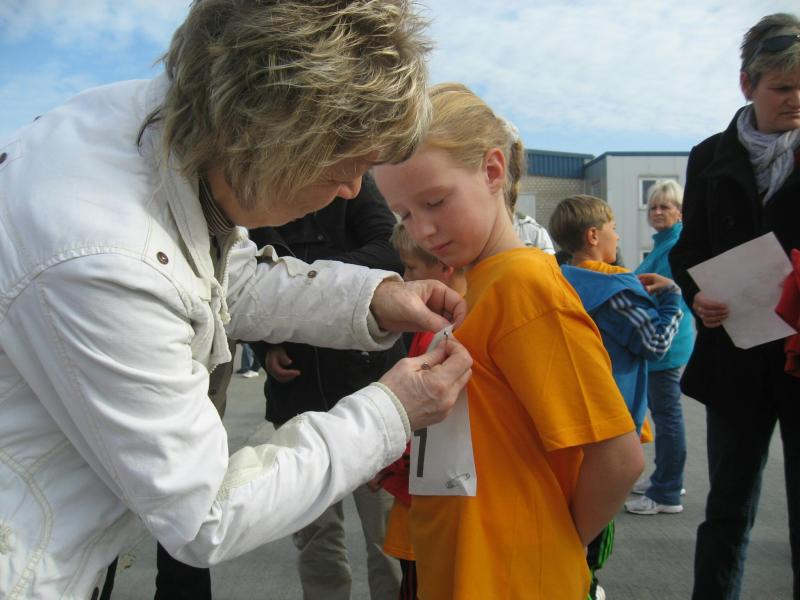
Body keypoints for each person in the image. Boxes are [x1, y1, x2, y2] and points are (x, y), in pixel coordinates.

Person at [0, 2, 474, 598]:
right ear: (269, 136)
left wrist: (375, 298)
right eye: (343, 166)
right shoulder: (104, 255)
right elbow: (204, 514)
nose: (353, 189)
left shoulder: (166, 138)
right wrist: (392, 412)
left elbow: (225, 276)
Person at [373, 82, 644, 600]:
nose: (422, 230)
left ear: (493, 171)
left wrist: (557, 544)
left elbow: (618, 456)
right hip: (462, 561)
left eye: (435, 201)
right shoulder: (480, 283)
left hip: (511, 576)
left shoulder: (524, 285)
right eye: (404, 214)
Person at [669, 13, 800, 600]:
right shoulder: (708, 156)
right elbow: (689, 248)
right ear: (747, 85)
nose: (796, 100)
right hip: (737, 353)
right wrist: (697, 295)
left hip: (798, 354)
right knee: (727, 509)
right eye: (783, 88)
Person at [248, 176, 406, 599]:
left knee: (386, 534)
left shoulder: (353, 182)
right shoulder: (259, 186)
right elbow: (240, 281)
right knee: (315, 535)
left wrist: (301, 277)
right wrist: (265, 347)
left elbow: (389, 250)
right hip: (297, 398)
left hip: (369, 390)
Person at [549, 193, 683, 599]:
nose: (618, 236)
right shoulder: (616, 291)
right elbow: (655, 343)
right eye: (613, 229)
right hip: (610, 421)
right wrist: (672, 299)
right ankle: (583, 585)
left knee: (565, 510)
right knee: (596, 522)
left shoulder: (555, 280)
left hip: (565, 416)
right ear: (593, 236)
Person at [370, 223, 469, 600]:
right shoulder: (447, 322)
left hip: (424, 503)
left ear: (443, 266)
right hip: (435, 498)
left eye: (411, 268)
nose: (406, 278)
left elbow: (425, 419)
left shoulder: (440, 334)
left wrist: (386, 463)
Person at [628, 180, 696, 515]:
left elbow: (661, 295)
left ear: (679, 212)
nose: (657, 212)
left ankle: (667, 491)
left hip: (666, 343)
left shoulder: (674, 245)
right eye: (653, 206)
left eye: (665, 207)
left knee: (667, 416)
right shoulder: (662, 245)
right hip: (661, 341)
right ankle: (665, 477)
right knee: (664, 413)